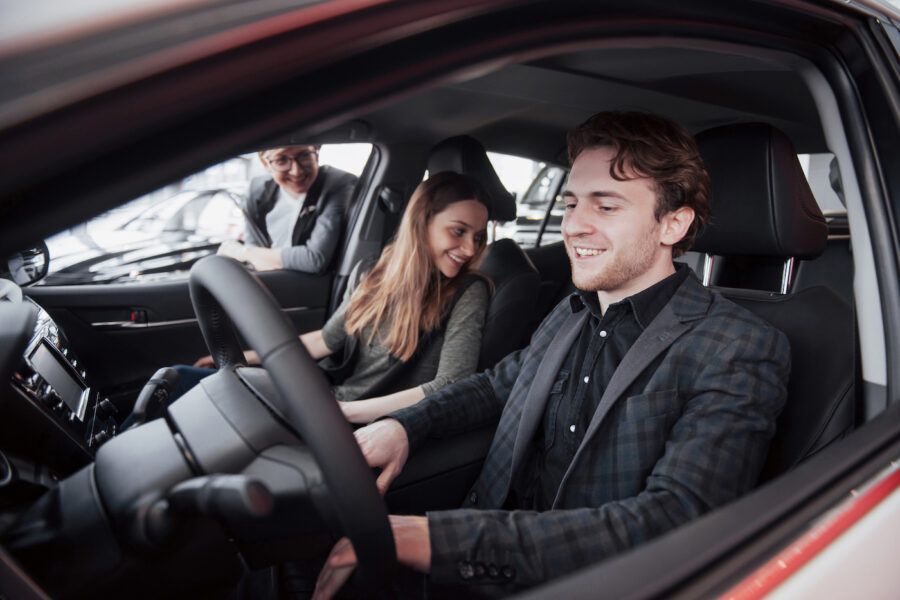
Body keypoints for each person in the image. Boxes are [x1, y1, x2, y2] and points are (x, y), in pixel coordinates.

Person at [313, 111, 790, 598]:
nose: (574, 226)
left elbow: (676, 520)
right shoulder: (571, 312)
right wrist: (406, 425)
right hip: (489, 560)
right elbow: (496, 385)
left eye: (606, 207)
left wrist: (436, 539)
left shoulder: (736, 345)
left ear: (673, 224)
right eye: (571, 203)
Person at [181, 171, 492, 424]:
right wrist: (241, 358)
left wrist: (343, 413)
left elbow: (451, 383)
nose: (469, 250)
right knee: (179, 380)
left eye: (477, 237)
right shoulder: (373, 272)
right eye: (458, 231)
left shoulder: (468, 291)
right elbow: (326, 341)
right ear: (421, 223)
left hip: (360, 420)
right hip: (325, 398)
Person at [217, 145, 357, 274]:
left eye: (304, 156)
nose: (296, 171)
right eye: (281, 160)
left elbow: (315, 259)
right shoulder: (257, 190)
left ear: (316, 153)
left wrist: (242, 252)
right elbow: (254, 252)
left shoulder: (337, 184)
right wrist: (254, 255)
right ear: (265, 163)